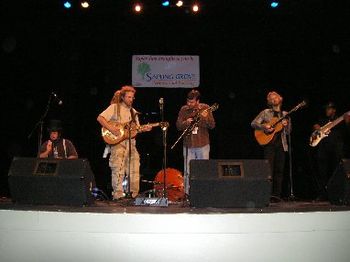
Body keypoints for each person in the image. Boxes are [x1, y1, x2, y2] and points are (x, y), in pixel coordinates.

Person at [97, 85, 152, 200]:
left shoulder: (133, 112)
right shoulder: (114, 107)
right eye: (128, 97)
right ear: (122, 97)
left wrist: (143, 128)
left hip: (131, 144)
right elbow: (100, 118)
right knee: (118, 169)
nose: (131, 99)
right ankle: (118, 195)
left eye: (132, 97)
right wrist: (111, 129)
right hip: (118, 144)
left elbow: (136, 128)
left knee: (135, 169)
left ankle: (133, 195)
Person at [251, 91, 290, 201]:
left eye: (275, 97)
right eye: (271, 98)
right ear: (269, 102)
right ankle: (267, 195)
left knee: (279, 171)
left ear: (280, 99)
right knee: (268, 171)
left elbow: (288, 132)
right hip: (269, 145)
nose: (274, 99)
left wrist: (286, 126)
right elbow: (253, 123)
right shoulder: (265, 112)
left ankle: (277, 196)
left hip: (282, 145)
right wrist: (265, 127)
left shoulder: (285, 114)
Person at [176, 90, 216, 196]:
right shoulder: (183, 109)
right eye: (188, 102)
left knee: (203, 170)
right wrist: (186, 123)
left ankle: (203, 194)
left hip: (202, 144)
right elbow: (178, 125)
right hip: (188, 145)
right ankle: (187, 194)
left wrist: (204, 117)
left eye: (192, 102)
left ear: (198, 101)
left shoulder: (206, 108)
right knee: (188, 171)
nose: (189, 104)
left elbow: (212, 125)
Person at [312, 102, 345, 200]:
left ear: (334, 110)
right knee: (322, 173)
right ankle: (323, 194)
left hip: (335, 150)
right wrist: (316, 127)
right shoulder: (323, 120)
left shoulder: (340, 121)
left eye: (329, 109)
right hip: (323, 150)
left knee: (335, 172)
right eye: (326, 109)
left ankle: (336, 194)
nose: (327, 110)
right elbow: (315, 127)